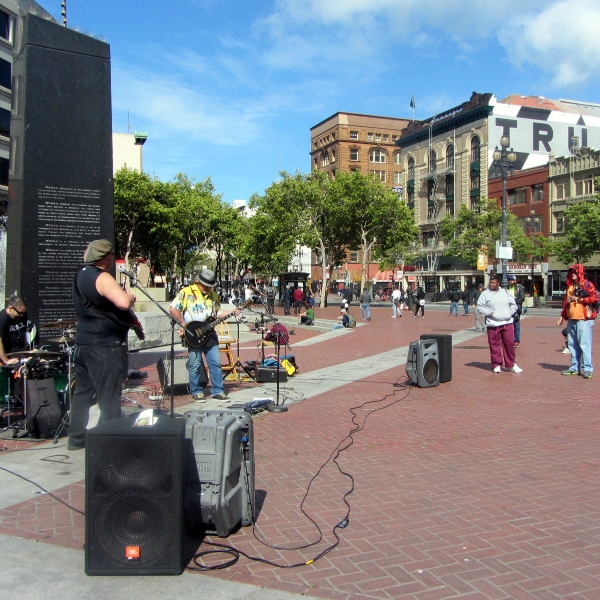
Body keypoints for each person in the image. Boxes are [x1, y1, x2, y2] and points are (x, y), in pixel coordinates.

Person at [68, 240, 137, 451]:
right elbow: (123, 303)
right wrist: (130, 297)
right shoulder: (101, 276)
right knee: (109, 396)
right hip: (104, 347)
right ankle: (111, 443)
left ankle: (76, 438)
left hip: (84, 344)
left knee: (82, 393)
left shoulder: (81, 275)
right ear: (106, 258)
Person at [170, 269, 238, 402]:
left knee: (215, 362)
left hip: (210, 334)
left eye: (209, 286)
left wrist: (232, 312)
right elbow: (173, 308)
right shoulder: (186, 292)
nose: (207, 288)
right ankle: (196, 390)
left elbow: (218, 313)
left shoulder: (213, 295)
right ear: (198, 282)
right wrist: (183, 324)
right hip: (193, 333)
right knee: (195, 363)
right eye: (205, 285)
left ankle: (218, 390)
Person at [477, 273, 522, 374]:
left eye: (493, 282)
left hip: (507, 323)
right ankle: (496, 364)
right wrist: (489, 313)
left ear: (498, 283)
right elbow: (479, 307)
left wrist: (509, 313)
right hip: (493, 324)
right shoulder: (485, 294)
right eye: (490, 282)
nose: (491, 284)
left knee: (509, 344)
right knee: (494, 345)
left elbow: (513, 305)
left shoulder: (505, 292)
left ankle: (511, 364)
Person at [558, 263, 597, 378]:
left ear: (580, 272)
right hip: (572, 319)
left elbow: (594, 298)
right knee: (572, 344)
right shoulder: (569, 286)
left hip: (583, 319)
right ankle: (574, 367)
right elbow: (566, 303)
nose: (573, 274)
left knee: (584, 344)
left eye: (575, 272)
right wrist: (563, 316)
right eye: (571, 272)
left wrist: (580, 299)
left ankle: (587, 368)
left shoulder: (587, 284)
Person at [0, 296, 33, 364]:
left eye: (23, 313)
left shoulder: (22, 316)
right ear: (10, 308)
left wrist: (28, 355)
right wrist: (6, 361)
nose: (22, 315)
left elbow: (24, 336)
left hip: (21, 355)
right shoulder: (2, 318)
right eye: (19, 313)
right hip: (9, 356)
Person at [507, 275, 526, 347]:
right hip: (507, 308)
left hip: (516, 308)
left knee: (516, 325)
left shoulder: (519, 287)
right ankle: (508, 340)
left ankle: (516, 340)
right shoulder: (505, 287)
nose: (510, 281)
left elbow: (522, 298)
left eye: (512, 280)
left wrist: (513, 301)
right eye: (509, 280)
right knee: (507, 325)